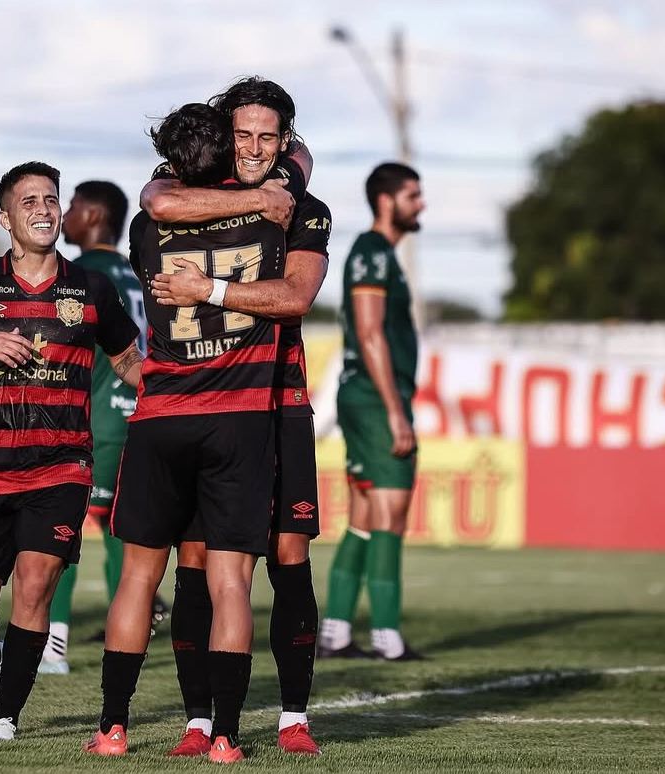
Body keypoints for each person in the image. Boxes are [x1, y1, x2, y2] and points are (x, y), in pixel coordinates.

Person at [83, 102, 301, 764]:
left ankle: (113, 729)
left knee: (138, 581)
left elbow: (162, 198)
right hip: (239, 419)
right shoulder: (272, 208)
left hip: (160, 416)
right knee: (230, 581)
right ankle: (227, 740)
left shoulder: (151, 221)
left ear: (171, 160)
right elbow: (295, 163)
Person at [0, 162, 143, 743]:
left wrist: (184, 392)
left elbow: (128, 362)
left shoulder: (90, 287)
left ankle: (8, 715)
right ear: (6, 218)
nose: (43, 209)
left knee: (37, 584)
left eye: (50, 199)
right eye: (29, 202)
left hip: (62, 467)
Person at [142, 76, 328, 757]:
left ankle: (292, 716)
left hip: (278, 406)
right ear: (225, 136)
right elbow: (154, 197)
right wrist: (260, 198)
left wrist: (210, 287)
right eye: (242, 134)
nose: (254, 148)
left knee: (288, 554)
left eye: (268, 136)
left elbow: (296, 296)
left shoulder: (305, 203)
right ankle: (199, 720)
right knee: (194, 558)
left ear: (285, 140)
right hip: (206, 404)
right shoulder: (195, 187)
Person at [39, 180, 166, 675]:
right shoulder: (137, 274)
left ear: (93, 215)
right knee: (118, 533)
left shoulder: (82, 272)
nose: (62, 215)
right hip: (137, 413)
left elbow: (55, 344)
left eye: (69, 206)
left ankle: (51, 647)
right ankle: (124, 640)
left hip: (97, 418)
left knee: (60, 524)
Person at [318, 162, 427, 662]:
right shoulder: (373, 253)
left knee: (365, 514)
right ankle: (388, 637)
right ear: (387, 200)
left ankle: (336, 633)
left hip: (364, 396)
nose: (420, 204)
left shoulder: (378, 254)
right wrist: (396, 412)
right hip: (376, 397)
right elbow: (369, 332)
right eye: (413, 194)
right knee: (392, 511)